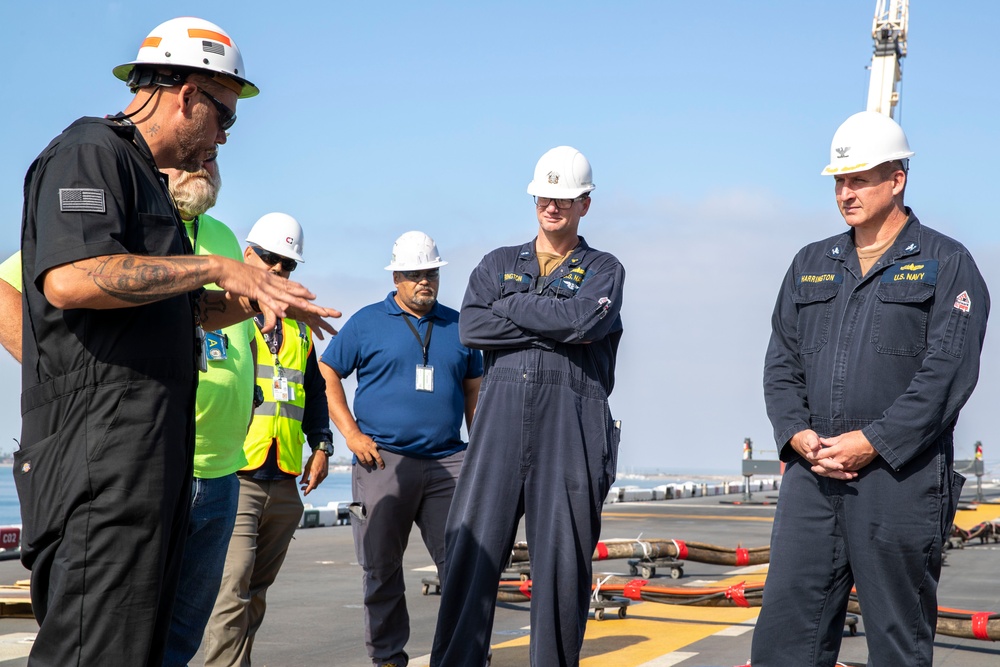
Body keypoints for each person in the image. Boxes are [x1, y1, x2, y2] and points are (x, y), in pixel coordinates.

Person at [16, 17, 338, 666]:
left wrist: (252, 300)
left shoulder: (152, 188)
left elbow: (178, 311)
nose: (223, 137)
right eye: (223, 117)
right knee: (92, 650)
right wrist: (216, 266)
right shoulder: (90, 153)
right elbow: (72, 278)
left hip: (150, 465)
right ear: (185, 93)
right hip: (95, 466)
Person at [750, 111, 990, 667]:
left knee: (896, 642)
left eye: (859, 178)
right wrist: (797, 434)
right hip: (812, 477)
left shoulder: (947, 263)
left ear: (897, 179)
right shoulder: (810, 264)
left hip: (899, 481)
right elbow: (780, 362)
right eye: (839, 180)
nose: (845, 191)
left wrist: (874, 440)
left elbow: (947, 375)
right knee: (784, 639)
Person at [0, 160, 257, 666]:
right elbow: (9, 286)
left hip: (220, 468)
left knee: (180, 638)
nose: (205, 165)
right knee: (105, 641)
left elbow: (219, 324)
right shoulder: (125, 225)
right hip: (138, 465)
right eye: (192, 161)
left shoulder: (222, 236)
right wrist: (58, 370)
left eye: (210, 161)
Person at [431, 146, 625, 667]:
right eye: (545, 195)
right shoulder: (497, 263)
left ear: (585, 203)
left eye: (564, 197)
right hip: (498, 427)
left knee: (562, 571)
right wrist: (554, 320)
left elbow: (587, 323)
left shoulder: (605, 269)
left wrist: (512, 307)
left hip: (572, 428)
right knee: (470, 557)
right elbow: (472, 326)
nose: (552, 206)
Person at [320, 231, 483, 667]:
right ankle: (389, 658)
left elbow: (474, 392)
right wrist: (351, 435)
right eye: (414, 274)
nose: (424, 281)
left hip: (448, 461)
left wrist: (480, 449)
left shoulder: (459, 325)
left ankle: (463, 657)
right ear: (396, 276)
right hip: (382, 461)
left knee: (463, 568)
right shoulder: (367, 321)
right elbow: (327, 372)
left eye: (430, 272)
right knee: (382, 568)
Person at [204, 213, 335, 667]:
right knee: (231, 589)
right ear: (248, 255)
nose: (279, 272)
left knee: (255, 593)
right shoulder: (228, 318)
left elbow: (314, 392)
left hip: (283, 476)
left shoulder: (299, 328)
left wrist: (322, 445)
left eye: (288, 266)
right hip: (238, 473)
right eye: (271, 261)